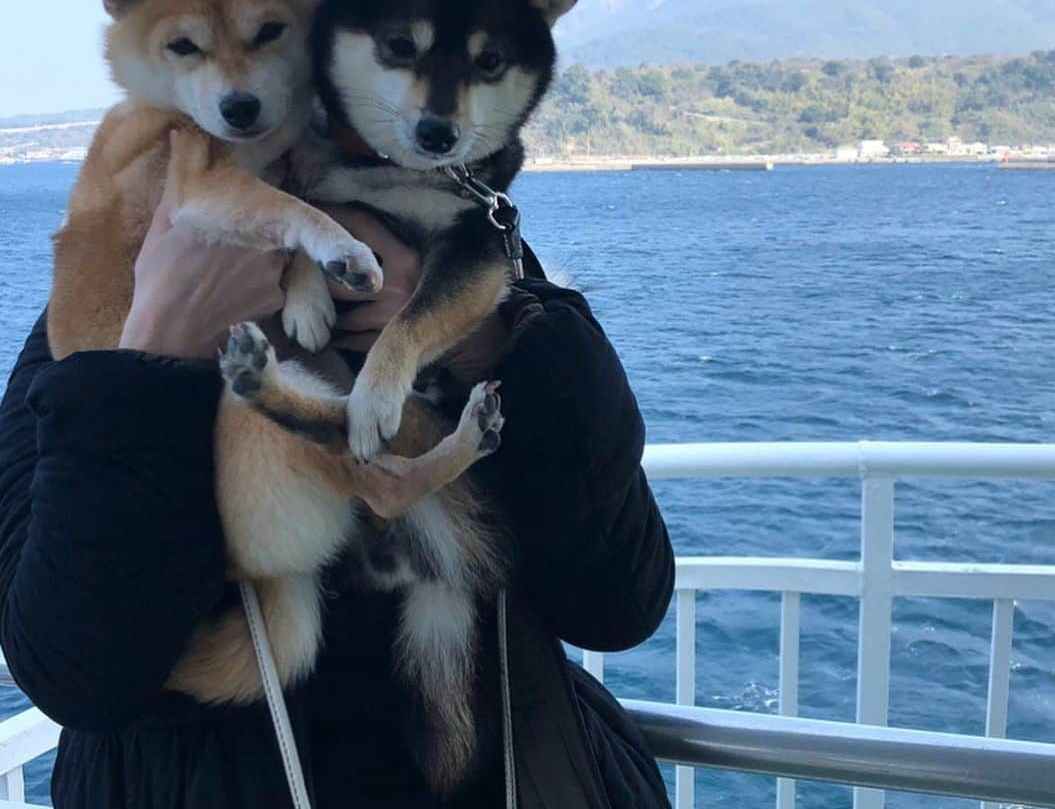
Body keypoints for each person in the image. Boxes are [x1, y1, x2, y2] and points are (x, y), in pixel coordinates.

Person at [0, 185, 675, 808]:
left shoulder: (477, 262)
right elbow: (72, 671)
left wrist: (475, 335)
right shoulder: (100, 299)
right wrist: (159, 342)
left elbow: (621, 604)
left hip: (507, 768)